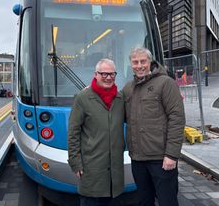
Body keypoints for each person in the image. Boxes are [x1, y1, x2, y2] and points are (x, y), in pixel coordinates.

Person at [123, 47, 186, 206]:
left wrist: (172, 154)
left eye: (143, 61)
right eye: (135, 62)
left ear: (150, 62)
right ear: (131, 64)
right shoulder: (128, 88)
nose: (139, 65)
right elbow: (113, 107)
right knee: (144, 200)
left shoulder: (166, 83)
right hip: (137, 158)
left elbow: (177, 118)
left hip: (161, 159)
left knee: (167, 201)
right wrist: (91, 92)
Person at [68, 58, 125, 206]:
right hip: (91, 168)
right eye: (103, 74)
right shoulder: (82, 98)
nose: (108, 77)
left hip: (114, 171)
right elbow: (73, 132)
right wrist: (75, 162)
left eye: (112, 74)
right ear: (96, 75)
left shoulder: (120, 98)